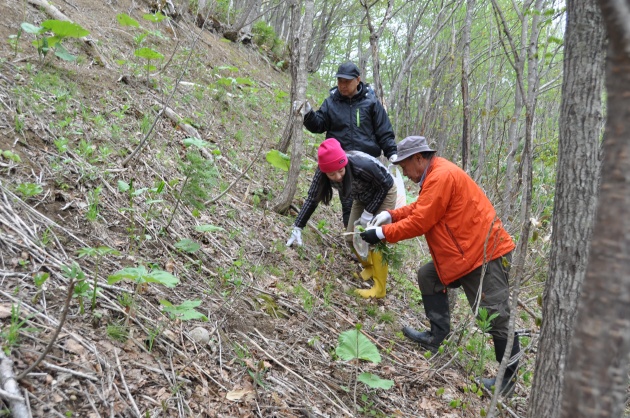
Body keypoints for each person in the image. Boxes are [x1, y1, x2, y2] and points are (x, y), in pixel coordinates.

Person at [359, 135, 520, 396]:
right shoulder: (435, 175)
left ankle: (507, 382)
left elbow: (421, 221)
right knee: (428, 276)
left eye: (405, 166)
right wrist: (392, 214)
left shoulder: (442, 175)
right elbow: (422, 209)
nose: (405, 172)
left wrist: (382, 233)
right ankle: (436, 336)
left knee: (496, 318)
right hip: (463, 256)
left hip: (484, 255)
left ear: (419, 159)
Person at [286, 138, 397, 298]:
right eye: (332, 174)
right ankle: (370, 267)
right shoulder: (321, 174)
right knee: (352, 237)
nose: (337, 176)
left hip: (384, 192)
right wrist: (298, 226)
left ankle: (380, 288)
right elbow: (312, 198)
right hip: (361, 196)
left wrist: (369, 213)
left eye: (341, 170)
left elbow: (386, 184)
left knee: (375, 237)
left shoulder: (361, 165)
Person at [293, 61, 397, 228]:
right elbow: (318, 125)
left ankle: (372, 241)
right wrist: (308, 113)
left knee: (375, 201)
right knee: (348, 205)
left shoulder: (371, 103)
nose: (343, 85)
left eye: (347, 81)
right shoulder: (331, 103)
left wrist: (392, 152)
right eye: (340, 81)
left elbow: (383, 130)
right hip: (340, 165)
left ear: (358, 80)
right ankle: (353, 241)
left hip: (368, 164)